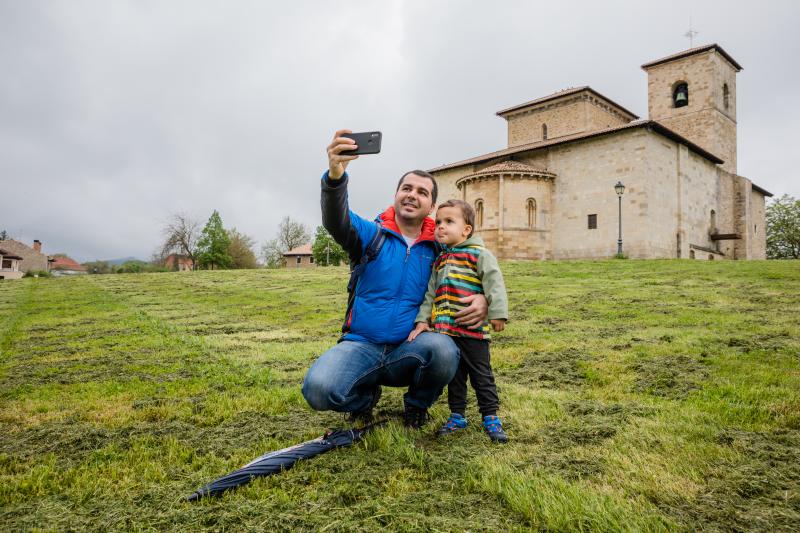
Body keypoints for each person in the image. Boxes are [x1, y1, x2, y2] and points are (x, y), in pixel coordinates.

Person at [301, 130, 489, 428]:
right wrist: (336, 176)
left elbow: (478, 266)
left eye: (423, 192)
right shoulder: (371, 235)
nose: (413, 194)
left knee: (444, 350)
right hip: (360, 344)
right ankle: (364, 398)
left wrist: (483, 298)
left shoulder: (442, 246)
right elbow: (337, 221)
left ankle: (416, 405)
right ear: (396, 194)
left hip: (410, 346)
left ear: (431, 207)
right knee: (318, 389)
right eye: (407, 188)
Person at [407, 199, 509, 442]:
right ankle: (457, 415)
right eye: (439, 222)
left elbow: (494, 282)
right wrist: (423, 320)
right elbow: (430, 294)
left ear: (466, 230)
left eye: (449, 222)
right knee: (455, 377)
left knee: (481, 375)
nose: (440, 226)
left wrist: (497, 313)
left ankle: (491, 416)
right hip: (447, 333)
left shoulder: (479, 254)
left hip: (473, 332)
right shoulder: (440, 260)